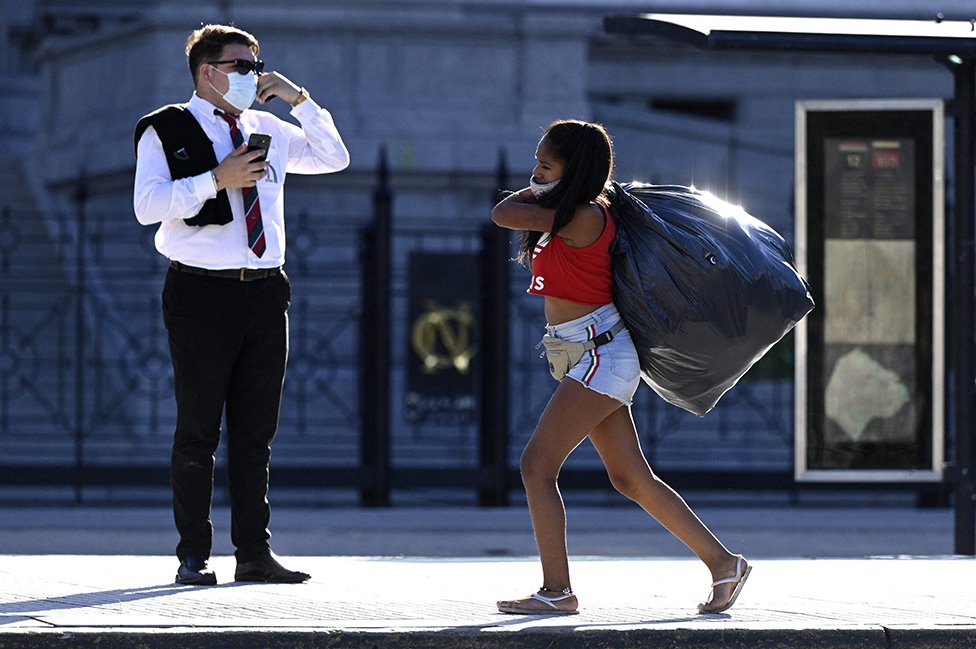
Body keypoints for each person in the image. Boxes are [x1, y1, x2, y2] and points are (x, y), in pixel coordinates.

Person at [491, 120, 750, 615]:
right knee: (631, 478)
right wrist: (553, 184)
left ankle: (557, 591)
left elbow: (503, 213)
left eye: (545, 167)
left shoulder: (583, 216)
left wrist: (550, 191)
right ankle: (724, 564)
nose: (535, 174)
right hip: (585, 352)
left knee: (536, 467)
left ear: (575, 175)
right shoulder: (572, 210)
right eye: (536, 166)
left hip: (599, 354)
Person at [133, 23, 350, 585]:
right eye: (242, 66)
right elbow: (147, 205)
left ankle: (254, 552)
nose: (253, 76)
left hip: (265, 287)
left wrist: (300, 99)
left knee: (256, 431)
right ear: (208, 71)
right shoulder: (167, 128)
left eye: (257, 65)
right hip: (201, 290)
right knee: (199, 428)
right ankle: (192, 555)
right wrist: (216, 178)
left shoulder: (264, 126)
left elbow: (334, 158)